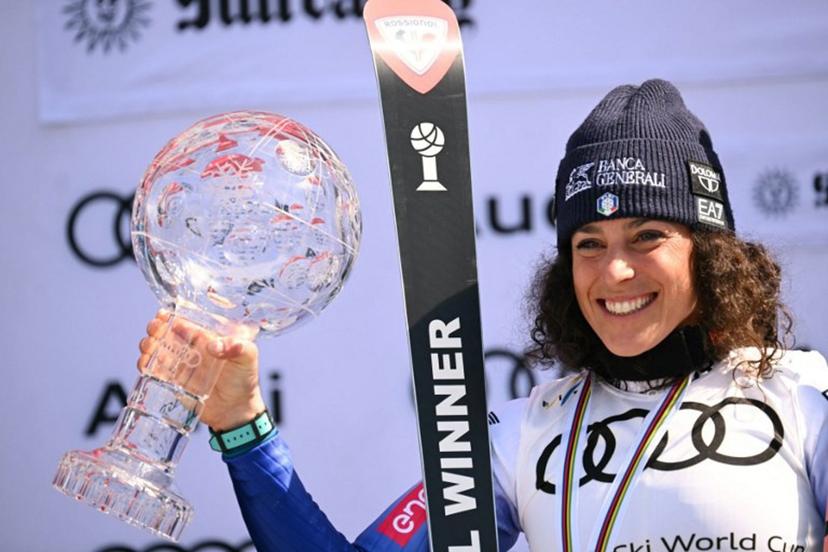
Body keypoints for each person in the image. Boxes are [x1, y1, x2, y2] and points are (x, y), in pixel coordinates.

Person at [139, 79, 828, 551]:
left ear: (709, 256)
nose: (614, 271)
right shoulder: (519, 436)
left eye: (648, 237)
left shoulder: (803, 399)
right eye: (589, 244)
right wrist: (241, 426)